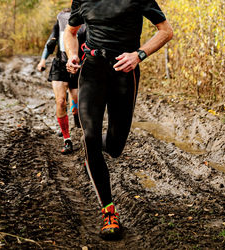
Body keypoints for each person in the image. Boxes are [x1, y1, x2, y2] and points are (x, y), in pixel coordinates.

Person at [64, 0, 173, 239]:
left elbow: (166, 31)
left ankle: (96, 152)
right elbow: (70, 32)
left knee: (115, 146)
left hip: (124, 73)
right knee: (89, 137)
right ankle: (109, 213)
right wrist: (72, 55)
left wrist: (139, 55)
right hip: (91, 71)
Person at [37, 8, 85, 154]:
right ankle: (67, 139)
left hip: (78, 65)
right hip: (59, 64)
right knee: (60, 101)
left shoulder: (86, 20)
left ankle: (76, 115)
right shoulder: (61, 19)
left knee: (76, 101)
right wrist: (42, 61)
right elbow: (51, 41)